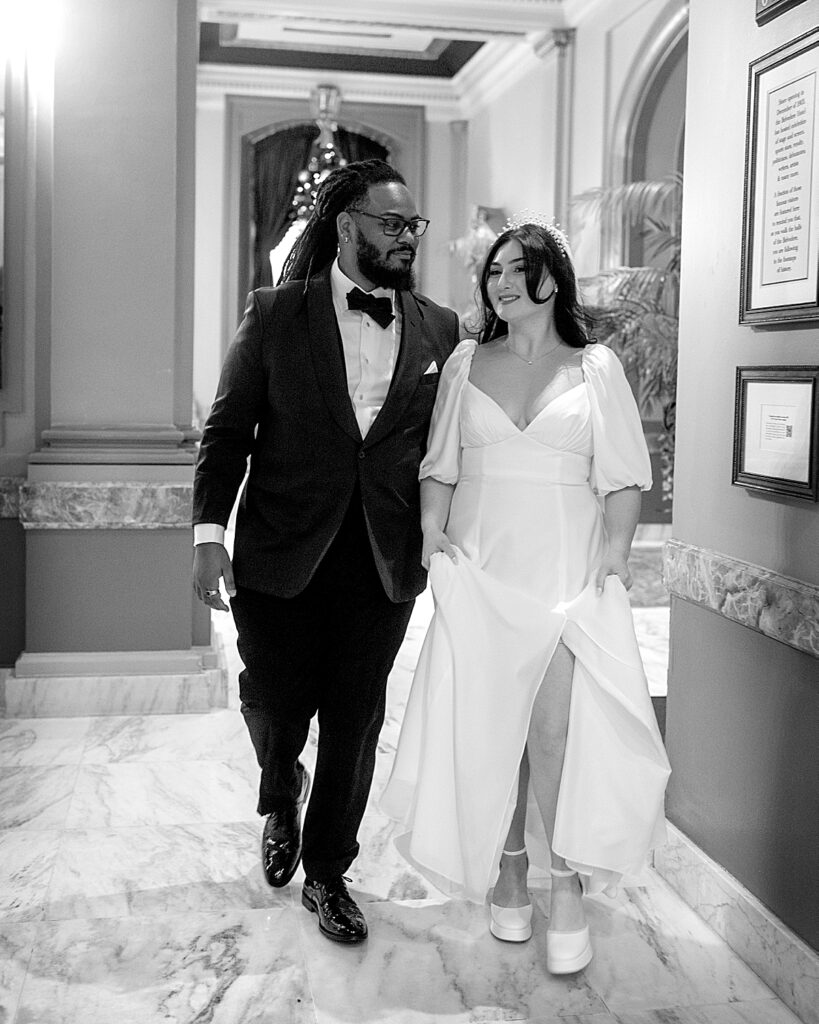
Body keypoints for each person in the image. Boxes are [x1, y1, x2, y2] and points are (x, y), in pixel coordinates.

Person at [380, 219, 671, 973]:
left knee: (550, 732)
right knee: (491, 730)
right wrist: (431, 538)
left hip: (562, 576)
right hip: (480, 572)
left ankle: (565, 879)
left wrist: (612, 557)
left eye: (516, 269)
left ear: (552, 279)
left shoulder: (596, 367)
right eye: (493, 272)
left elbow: (621, 478)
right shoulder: (466, 364)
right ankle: (509, 865)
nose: (500, 282)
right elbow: (438, 464)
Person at [192, 159, 460, 945]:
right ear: (347, 227)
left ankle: (328, 873)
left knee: (355, 716)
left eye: (413, 225)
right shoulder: (276, 313)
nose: (407, 237)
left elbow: (449, 449)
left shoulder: (442, 329)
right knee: (275, 700)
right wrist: (210, 536)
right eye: (391, 224)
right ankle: (281, 791)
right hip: (279, 552)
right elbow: (226, 432)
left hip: (383, 561)